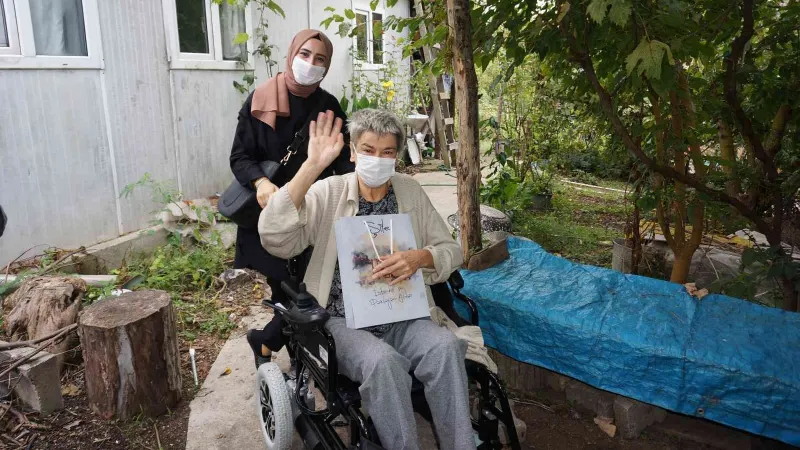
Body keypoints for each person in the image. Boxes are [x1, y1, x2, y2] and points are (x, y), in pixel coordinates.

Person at [259, 109, 475, 450]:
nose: (378, 159)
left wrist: (422, 257)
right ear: (353, 152)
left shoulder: (410, 192)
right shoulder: (329, 192)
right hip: (343, 321)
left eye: (388, 152)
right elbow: (274, 237)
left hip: (402, 314)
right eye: (369, 150)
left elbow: (450, 248)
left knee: (446, 347)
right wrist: (311, 165)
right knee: (383, 363)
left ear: (397, 156)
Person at [229, 29, 353, 364]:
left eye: (320, 59)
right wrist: (259, 183)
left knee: (312, 290)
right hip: (269, 215)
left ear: (326, 67)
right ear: (292, 53)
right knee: (289, 290)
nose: (310, 63)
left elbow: (342, 161)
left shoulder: (329, 107)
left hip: (313, 214)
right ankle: (277, 345)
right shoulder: (259, 100)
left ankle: (270, 342)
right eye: (305, 54)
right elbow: (240, 157)